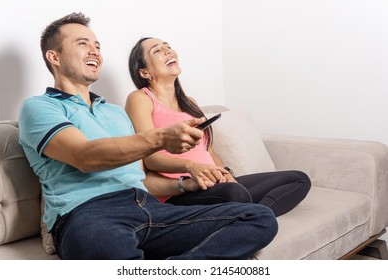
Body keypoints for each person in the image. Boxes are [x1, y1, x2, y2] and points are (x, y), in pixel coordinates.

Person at [17, 12, 278, 260]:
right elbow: (84, 156)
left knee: (259, 219)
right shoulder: (40, 107)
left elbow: (142, 179)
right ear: (54, 57)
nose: (95, 50)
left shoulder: (115, 113)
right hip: (88, 214)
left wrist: (184, 184)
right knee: (108, 248)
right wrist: (161, 138)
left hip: (149, 208)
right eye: (83, 43)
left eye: (97, 45)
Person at [125, 37, 311, 216]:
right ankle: (251, 215)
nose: (168, 50)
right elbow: (149, 157)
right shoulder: (141, 99)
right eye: (157, 50)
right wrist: (191, 167)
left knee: (299, 179)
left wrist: (226, 175)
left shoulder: (190, 103)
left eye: (168, 46)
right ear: (144, 72)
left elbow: (210, 152)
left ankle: (252, 217)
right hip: (183, 191)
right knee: (235, 195)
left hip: (217, 185)